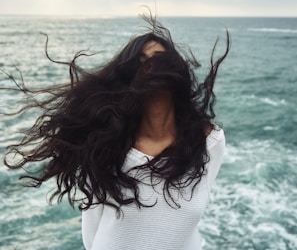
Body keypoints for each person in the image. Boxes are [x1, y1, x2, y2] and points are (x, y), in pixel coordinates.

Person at [4, 14, 229, 250]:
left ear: (177, 69)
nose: (151, 66)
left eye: (160, 59)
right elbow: (92, 229)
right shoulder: (107, 144)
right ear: (128, 77)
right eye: (141, 61)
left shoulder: (209, 142)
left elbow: (186, 220)